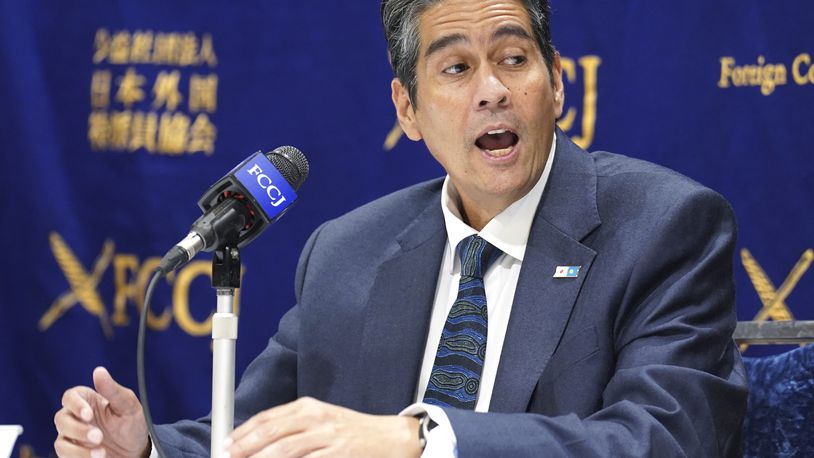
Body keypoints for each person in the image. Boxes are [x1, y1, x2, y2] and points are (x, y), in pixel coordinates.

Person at [54, 0, 748, 456]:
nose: (492, 91)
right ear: (407, 109)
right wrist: (143, 448)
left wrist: (421, 440)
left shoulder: (664, 227)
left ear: (557, 82)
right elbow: (257, 436)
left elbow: (664, 439)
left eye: (514, 59)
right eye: (455, 68)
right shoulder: (347, 252)